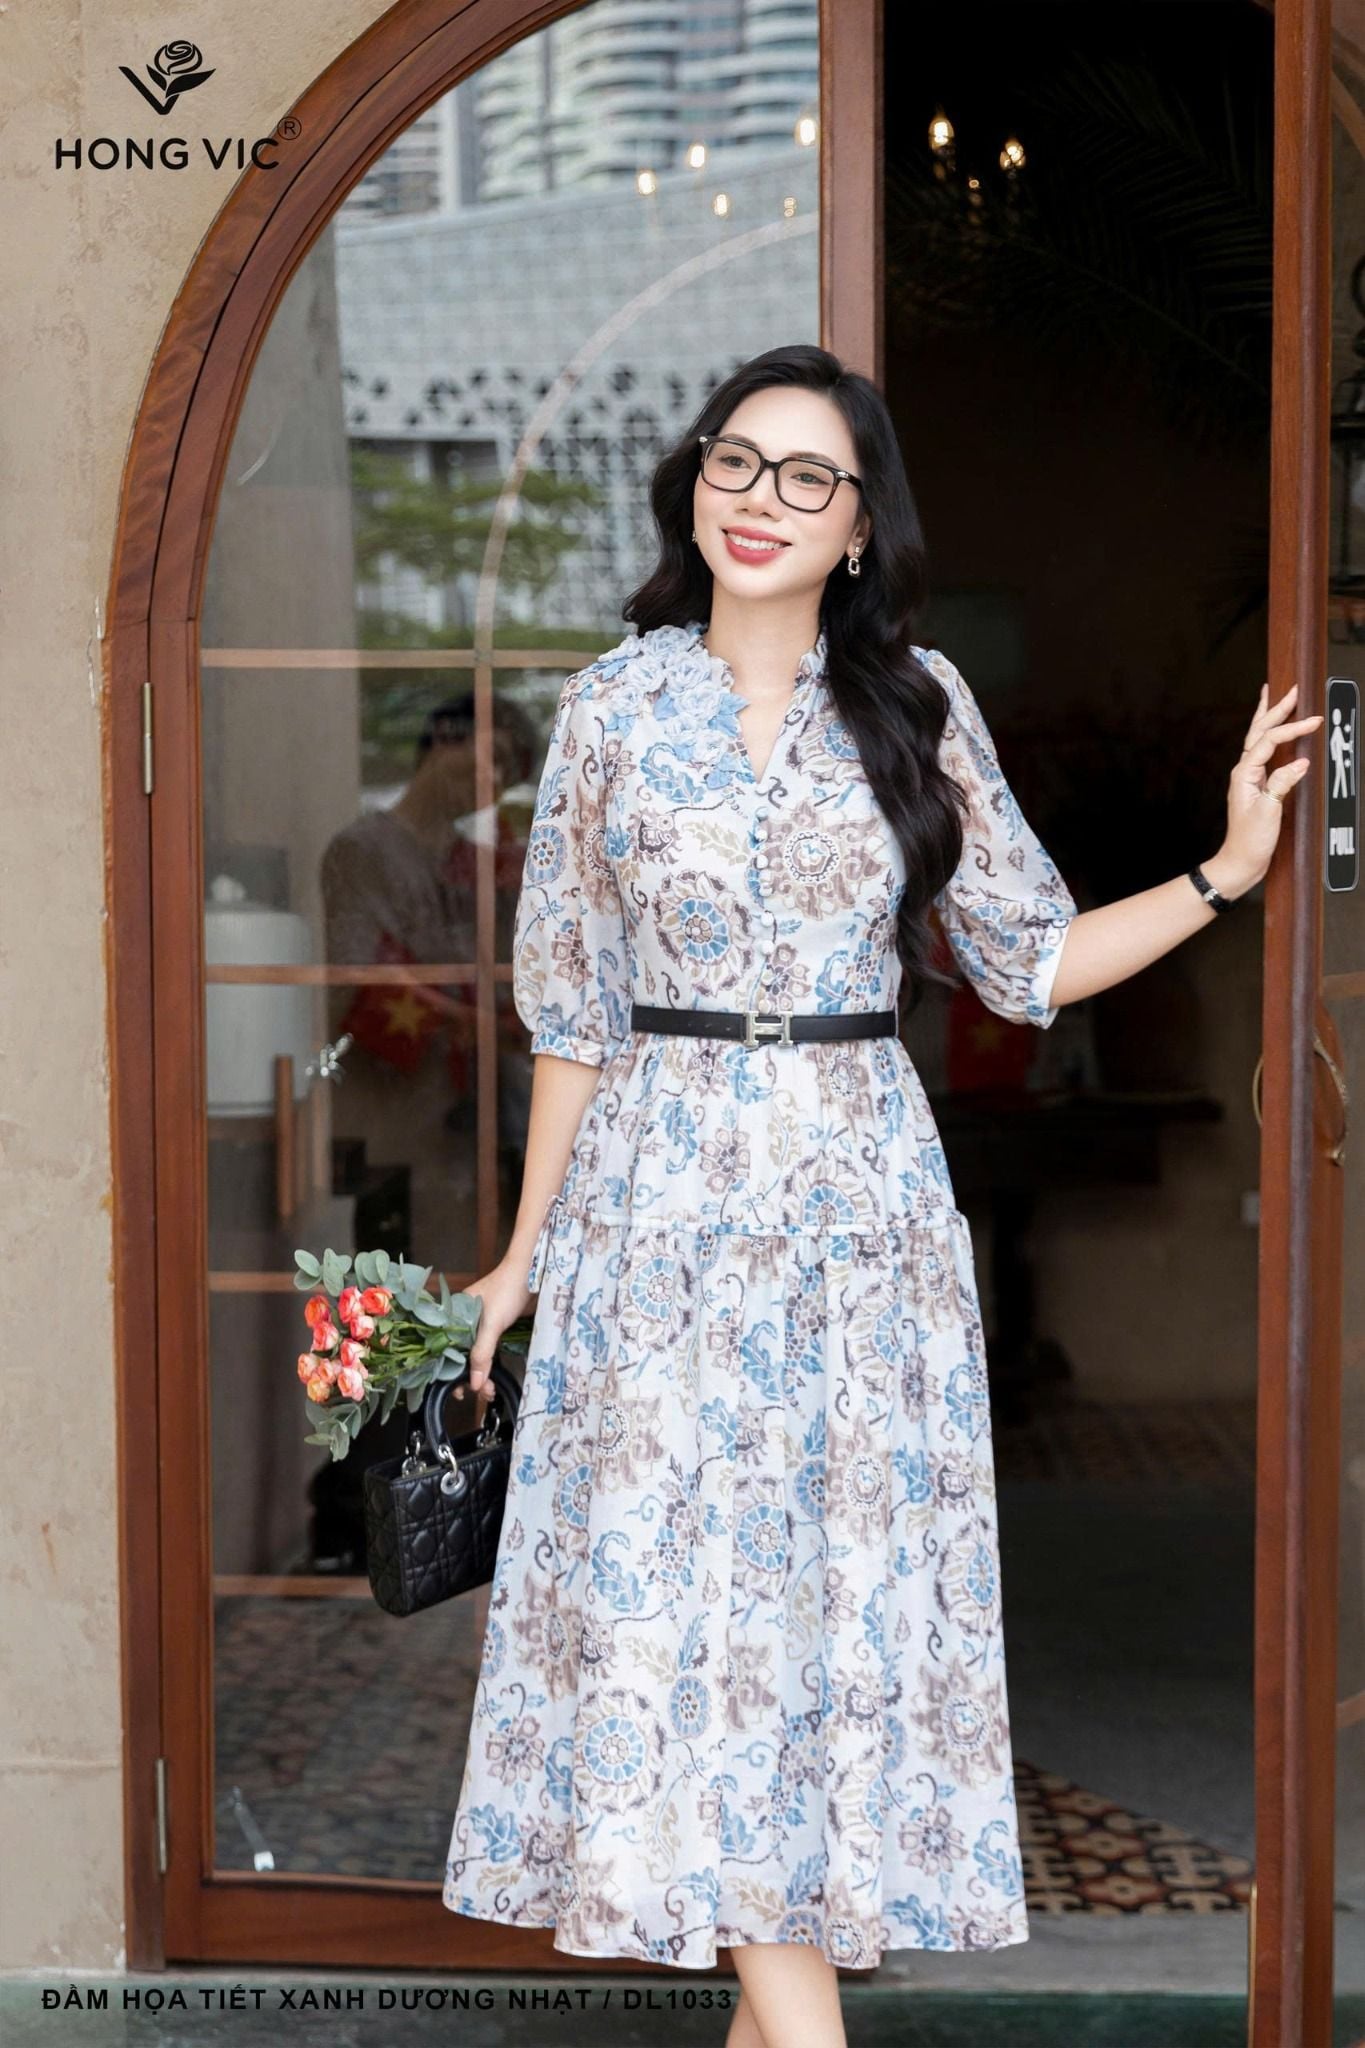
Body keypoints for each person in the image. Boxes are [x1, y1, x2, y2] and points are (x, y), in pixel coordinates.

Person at [440, 343, 1320, 2047]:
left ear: (858, 527)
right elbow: (573, 1016)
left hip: (859, 1215)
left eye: (807, 478)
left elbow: (1026, 963)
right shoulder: (611, 710)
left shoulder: (915, 702)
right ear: (691, 485)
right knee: (688, 1626)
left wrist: (1226, 869)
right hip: (656, 1215)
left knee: (814, 1634)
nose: (760, 500)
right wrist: (520, 1259)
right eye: (735, 462)